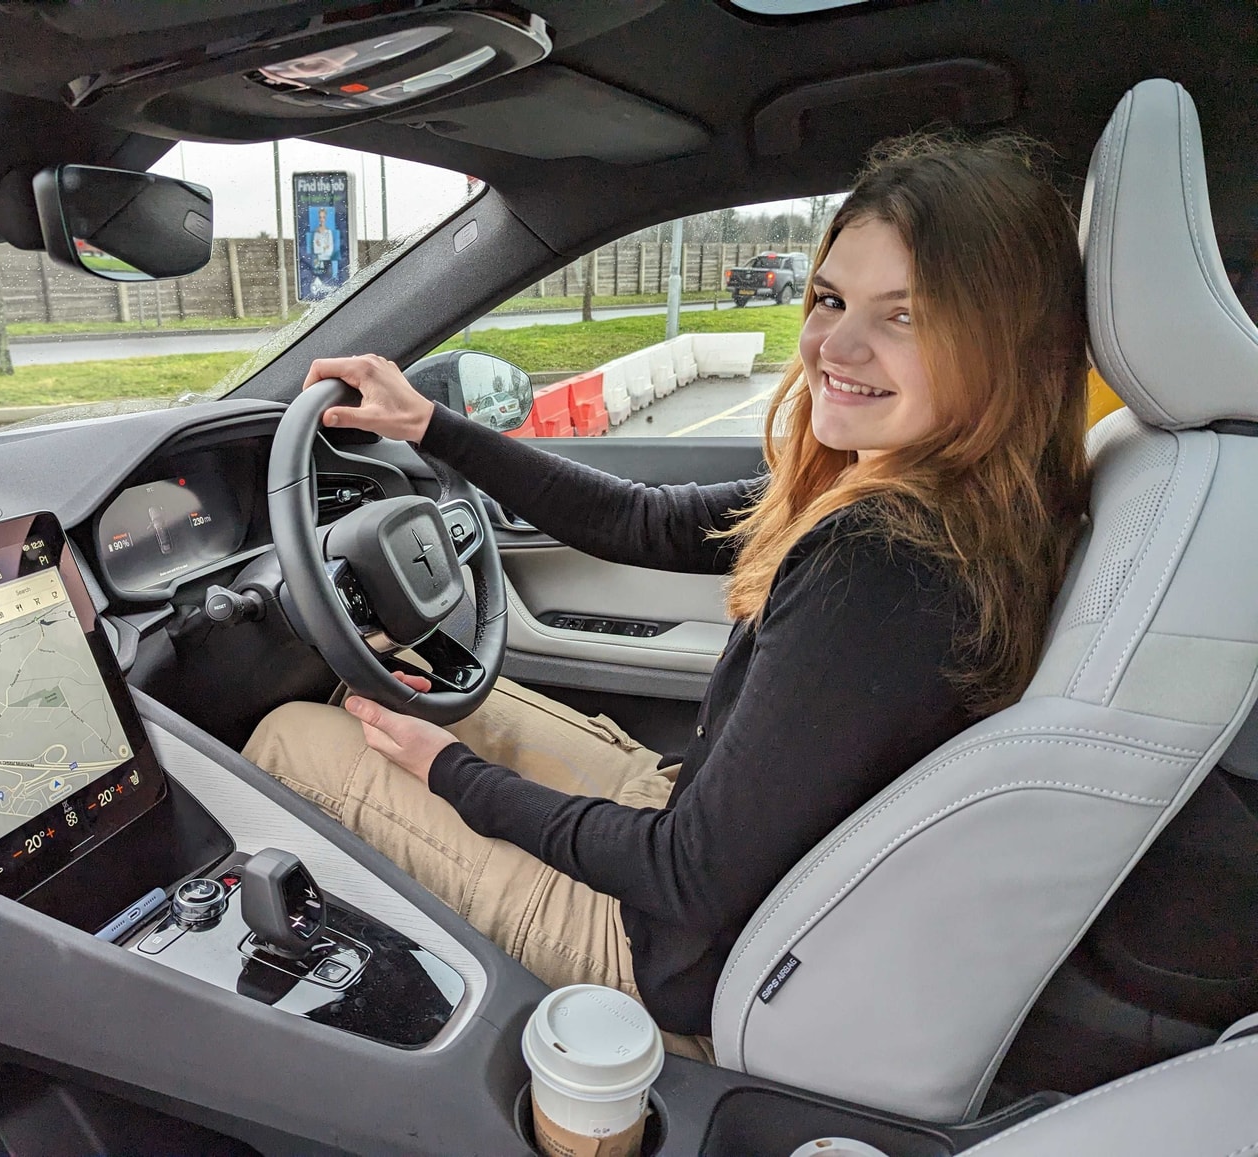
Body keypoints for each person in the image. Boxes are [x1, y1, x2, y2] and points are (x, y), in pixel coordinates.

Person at [244, 134, 1091, 1060]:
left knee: (291, 741)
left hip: (671, 954)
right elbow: (644, 521)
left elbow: (687, 876)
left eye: (907, 318)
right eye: (832, 299)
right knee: (387, 692)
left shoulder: (884, 562)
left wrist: (449, 773)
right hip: (703, 843)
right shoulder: (941, 500)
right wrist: (429, 424)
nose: (834, 346)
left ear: (1003, 346)